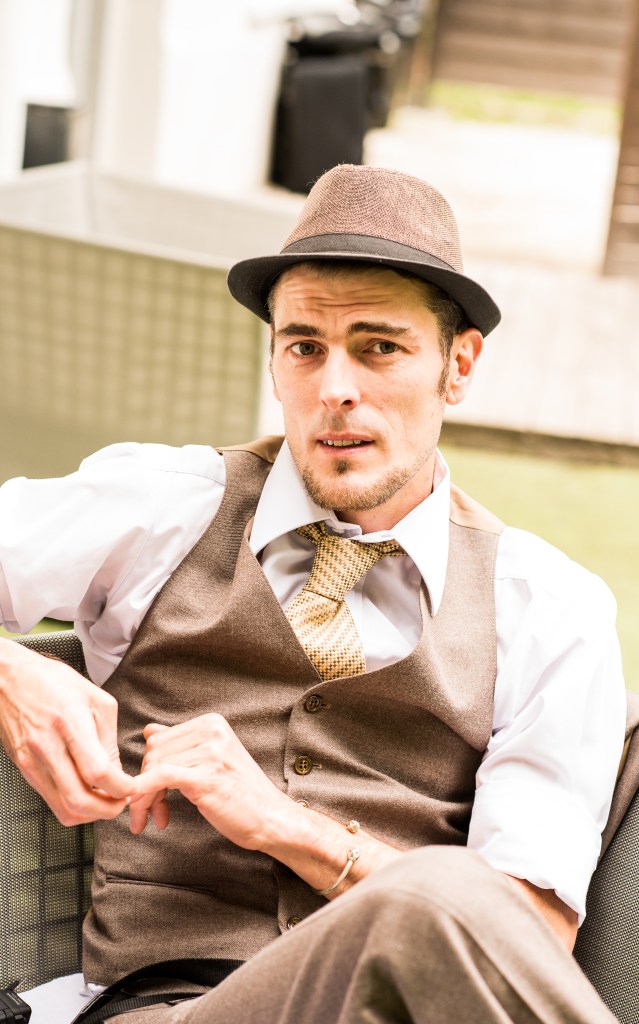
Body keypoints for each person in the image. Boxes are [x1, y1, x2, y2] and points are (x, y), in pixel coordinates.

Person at [0, 164, 627, 1024]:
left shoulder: (546, 606)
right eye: (304, 347)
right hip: (176, 1007)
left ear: (458, 365)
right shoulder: (164, 506)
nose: (334, 388)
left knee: (450, 898)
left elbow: (528, 935)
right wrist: (12, 672)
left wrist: (285, 825)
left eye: (379, 348)